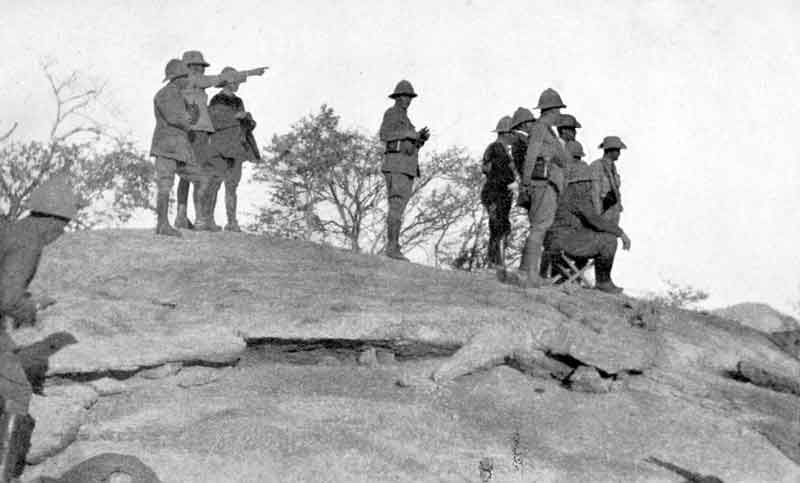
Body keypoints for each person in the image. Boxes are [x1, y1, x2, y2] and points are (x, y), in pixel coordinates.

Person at [0, 175, 79, 481]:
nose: (60, 234)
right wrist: (32, 306)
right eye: (63, 227)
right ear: (53, 221)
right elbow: (6, 297)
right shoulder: (30, 241)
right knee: (17, 391)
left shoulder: (11, 230)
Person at [174, 51, 266, 231]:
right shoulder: (193, 80)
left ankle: (184, 216)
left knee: (188, 176)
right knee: (199, 177)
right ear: (190, 68)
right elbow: (221, 79)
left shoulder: (183, 84)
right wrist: (251, 73)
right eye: (198, 66)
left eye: (201, 67)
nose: (201, 70)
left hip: (193, 132)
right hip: (196, 133)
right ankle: (199, 219)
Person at [502, 89, 571, 288]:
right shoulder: (541, 128)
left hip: (548, 184)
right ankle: (528, 273)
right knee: (540, 227)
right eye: (558, 109)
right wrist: (526, 183)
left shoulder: (545, 129)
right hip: (542, 184)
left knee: (540, 227)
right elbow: (532, 155)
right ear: (552, 110)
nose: (560, 114)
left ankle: (527, 271)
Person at [545, 164, 631, 293]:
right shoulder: (577, 195)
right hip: (564, 241)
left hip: (559, 239)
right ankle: (603, 282)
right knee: (609, 240)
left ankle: (598, 281)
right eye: (590, 182)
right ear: (581, 181)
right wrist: (621, 233)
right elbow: (594, 220)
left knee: (601, 236)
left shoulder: (570, 192)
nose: (591, 186)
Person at [150, 59, 206, 237]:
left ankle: (188, 220)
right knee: (165, 185)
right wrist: (190, 123)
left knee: (200, 178)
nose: (188, 80)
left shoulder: (178, 94)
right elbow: (176, 118)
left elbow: (189, 117)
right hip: (167, 147)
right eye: (185, 77)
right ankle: (163, 224)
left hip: (177, 148)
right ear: (177, 78)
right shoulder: (167, 93)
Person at [378, 80, 430, 261]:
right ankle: (392, 247)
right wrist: (410, 134)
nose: (408, 100)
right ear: (397, 97)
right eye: (405, 96)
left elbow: (408, 145)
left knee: (399, 207)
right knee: (396, 205)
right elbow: (384, 135)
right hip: (397, 166)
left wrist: (419, 140)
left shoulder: (405, 118)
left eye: (409, 97)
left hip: (406, 167)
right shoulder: (392, 113)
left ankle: (394, 245)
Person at [207, 67, 262, 232]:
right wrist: (235, 117)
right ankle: (209, 220)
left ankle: (232, 222)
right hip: (220, 147)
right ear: (227, 81)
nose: (238, 84)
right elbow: (214, 120)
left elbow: (247, 124)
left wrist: (247, 118)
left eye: (238, 81)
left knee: (232, 186)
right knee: (215, 183)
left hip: (236, 147)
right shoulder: (217, 99)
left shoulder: (238, 101)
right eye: (235, 81)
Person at [480, 116, 517, 270]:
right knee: (498, 227)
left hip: (495, 192)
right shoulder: (498, 149)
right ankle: (495, 263)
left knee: (500, 227)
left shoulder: (495, 149)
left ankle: (495, 262)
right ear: (506, 133)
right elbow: (505, 174)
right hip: (496, 193)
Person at [590, 136, 626, 224]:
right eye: (617, 150)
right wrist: (598, 215)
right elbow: (595, 191)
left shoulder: (613, 167)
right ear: (610, 151)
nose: (619, 153)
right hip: (603, 211)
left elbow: (616, 189)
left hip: (613, 211)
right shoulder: (597, 166)